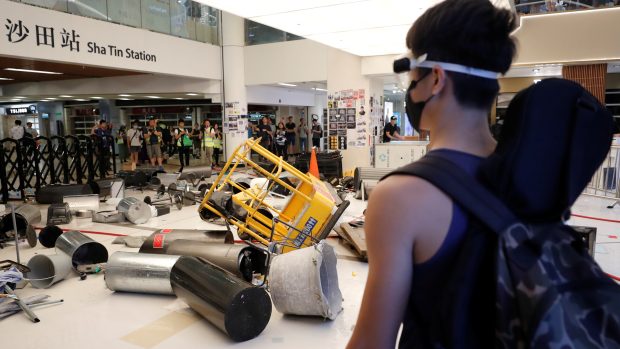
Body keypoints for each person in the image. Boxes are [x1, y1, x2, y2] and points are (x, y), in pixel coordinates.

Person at [347, 0, 516, 348]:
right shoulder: (530, 176)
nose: (410, 91)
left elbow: (372, 343)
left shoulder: (401, 197)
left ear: (435, 78)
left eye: (411, 77)